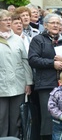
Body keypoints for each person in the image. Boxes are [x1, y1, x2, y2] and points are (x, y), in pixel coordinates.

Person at [28, 13, 62, 140]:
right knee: (49, 117)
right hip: (46, 84)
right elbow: (33, 59)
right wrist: (52, 64)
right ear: (45, 25)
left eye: (59, 23)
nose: (56, 25)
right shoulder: (38, 40)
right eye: (53, 23)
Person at [0, 9, 33, 138]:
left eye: (10, 20)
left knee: (16, 119)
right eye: (6, 20)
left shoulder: (18, 39)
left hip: (18, 84)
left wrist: (28, 82)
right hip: (1, 85)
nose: (9, 22)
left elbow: (25, 61)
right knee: (1, 118)